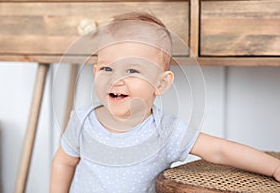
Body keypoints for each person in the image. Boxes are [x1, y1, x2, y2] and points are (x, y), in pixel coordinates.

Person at [50, 12, 280, 193]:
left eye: (132, 70)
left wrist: (274, 167)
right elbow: (64, 163)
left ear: (160, 84)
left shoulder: (165, 131)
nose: (115, 79)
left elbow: (219, 150)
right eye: (107, 68)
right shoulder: (82, 121)